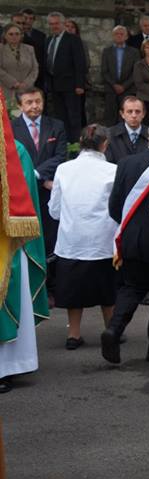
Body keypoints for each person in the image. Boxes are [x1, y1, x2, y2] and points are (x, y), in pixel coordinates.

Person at [101, 116, 149, 365]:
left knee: (131, 288)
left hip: (132, 239)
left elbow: (115, 206)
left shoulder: (126, 163)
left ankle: (114, 330)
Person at [49, 124, 117, 350]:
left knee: (73, 290)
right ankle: (111, 329)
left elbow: (54, 210)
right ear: (104, 144)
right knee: (107, 290)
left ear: (80, 142)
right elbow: (117, 209)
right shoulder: (113, 171)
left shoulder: (64, 169)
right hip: (102, 241)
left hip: (72, 241)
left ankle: (73, 333)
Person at [0, 139, 49, 393]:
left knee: (8, 293)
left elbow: (23, 196)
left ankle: (7, 367)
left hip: (6, 240)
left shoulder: (14, 149)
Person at [11, 88, 66, 279]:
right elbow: (12, 159)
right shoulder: (11, 128)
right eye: (29, 102)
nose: (34, 106)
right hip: (23, 194)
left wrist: (36, 174)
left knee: (50, 237)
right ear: (19, 105)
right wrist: (37, 178)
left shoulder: (56, 125)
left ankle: (51, 285)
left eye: (38, 101)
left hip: (48, 195)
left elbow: (60, 156)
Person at [43, 11, 86, 141]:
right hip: (54, 85)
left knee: (73, 116)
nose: (54, 26)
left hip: (71, 85)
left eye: (56, 23)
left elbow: (80, 62)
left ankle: (75, 144)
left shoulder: (73, 39)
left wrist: (79, 84)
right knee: (60, 116)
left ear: (63, 24)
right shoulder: (48, 40)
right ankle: (64, 142)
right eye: (51, 24)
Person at [100, 25, 140, 120]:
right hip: (111, 89)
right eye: (116, 34)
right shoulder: (107, 51)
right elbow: (104, 71)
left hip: (128, 89)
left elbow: (136, 71)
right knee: (110, 117)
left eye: (121, 34)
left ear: (126, 37)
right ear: (113, 36)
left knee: (127, 117)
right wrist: (114, 85)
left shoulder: (134, 52)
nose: (119, 36)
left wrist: (124, 86)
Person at [0, 22, 38, 104]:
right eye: (11, 34)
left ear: (21, 35)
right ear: (5, 36)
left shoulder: (29, 49)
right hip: (6, 90)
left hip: (27, 91)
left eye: (17, 34)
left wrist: (26, 84)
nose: (14, 36)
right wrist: (14, 83)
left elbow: (35, 69)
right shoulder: (1, 49)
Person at [105, 96, 149, 164]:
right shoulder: (110, 135)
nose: (134, 115)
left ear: (143, 114)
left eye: (137, 112)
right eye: (129, 111)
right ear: (122, 114)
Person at [15, 9, 45, 91]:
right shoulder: (10, 35)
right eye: (25, 18)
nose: (28, 21)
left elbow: (42, 56)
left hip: (37, 76)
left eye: (31, 18)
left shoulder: (41, 36)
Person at [64, 18, 91, 97]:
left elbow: (86, 62)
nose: (69, 29)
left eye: (72, 27)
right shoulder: (59, 43)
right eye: (67, 26)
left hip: (77, 81)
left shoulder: (81, 43)